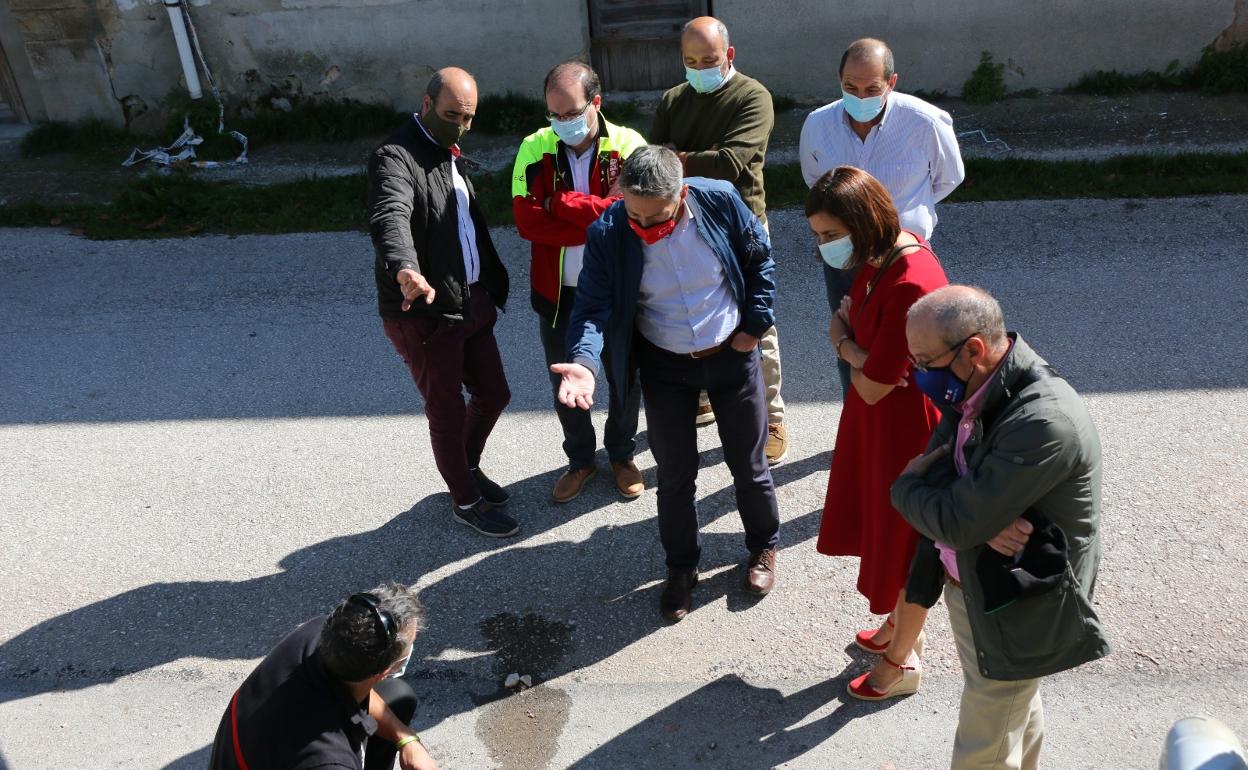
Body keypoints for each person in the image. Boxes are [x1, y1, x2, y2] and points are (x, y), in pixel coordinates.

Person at [553, 145, 780, 621]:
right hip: (666, 366)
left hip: (731, 356)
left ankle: (763, 547)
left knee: (749, 464)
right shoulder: (610, 232)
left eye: (658, 218)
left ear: (683, 194)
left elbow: (760, 259)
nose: (646, 229)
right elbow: (591, 308)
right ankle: (681, 568)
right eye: (635, 215)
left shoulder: (718, 199)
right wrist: (583, 363)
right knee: (675, 477)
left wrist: (754, 326)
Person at [893, 285, 1111, 769]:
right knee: (1011, 700)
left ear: (973, 349)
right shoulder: (978, 384)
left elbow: (948, 510)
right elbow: (946, 467)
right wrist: (977, 518)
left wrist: (907, 490)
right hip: (977, 577)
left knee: (986, 738)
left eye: (925, 361)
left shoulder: (1043, 420)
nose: (918, 375)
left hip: (1016, 597)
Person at [807, 166, 948, 700]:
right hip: (883, 421)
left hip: (904, 431)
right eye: (818, 235)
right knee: (890, 535)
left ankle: (900, 663)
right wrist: (859, 348)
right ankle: (895, 624)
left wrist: (843, 343)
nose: (823, 246)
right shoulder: (883, 255)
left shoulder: (909, 279)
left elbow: (874, 383)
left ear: (863, 223)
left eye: (830, 235)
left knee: (910, 546)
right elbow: (873, 356)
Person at [368, 67, 518, 538]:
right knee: (447, 412)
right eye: (452, 115)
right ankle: (465, 499)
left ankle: (465, 468)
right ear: (427, 103)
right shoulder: (394, 157)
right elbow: (391, 215)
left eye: (468, 118)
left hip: (469, 301)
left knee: (494, 394)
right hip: (426, 311)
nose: (460, 126)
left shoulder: (448, 152)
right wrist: (404, 268)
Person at [650, 16, 788, 465]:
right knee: (693, 309)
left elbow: (731, 164)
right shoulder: (674, 98)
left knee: (756, 323)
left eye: (708, 60)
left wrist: (680, 158)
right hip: (684, 223)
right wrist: (684, 160)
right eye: (690, 61)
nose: (699, 68)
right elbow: (656, 163)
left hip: (740, 225)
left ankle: (773, 417)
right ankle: (705, 396)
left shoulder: (753, 96)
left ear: (728, 55)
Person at [512, 61, 648, 503]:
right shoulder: (534, 147)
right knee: (566, 384)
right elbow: (527, 222)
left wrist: (557, 201)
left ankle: (622, 455)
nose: (561, 124)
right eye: (553, 114)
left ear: (596, 102)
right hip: (558, 294)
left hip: (618, 288)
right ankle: (580, 459)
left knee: (624, 377)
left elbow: (633, 216)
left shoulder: (629, 144)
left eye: (571, 113)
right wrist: (595, 215)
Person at [799, 38, 965, 397]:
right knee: (851, 341)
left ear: (892, 82)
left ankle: (919, 430)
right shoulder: (817, 125)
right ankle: (858, 417)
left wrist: (896, 219)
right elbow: (817, 182)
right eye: (850, 87)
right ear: (839, 80)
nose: (860, 97)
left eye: (871, 88)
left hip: (902, 258)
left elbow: (948, 178)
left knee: (916, 348)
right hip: (844, 256)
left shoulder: (925, 122)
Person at [209, 583, 438, 770]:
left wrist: (406, 738)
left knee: (398, 696)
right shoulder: (327, 759)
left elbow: (365, 692)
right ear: (383, 672)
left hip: (263, 748)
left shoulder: (321, 635)